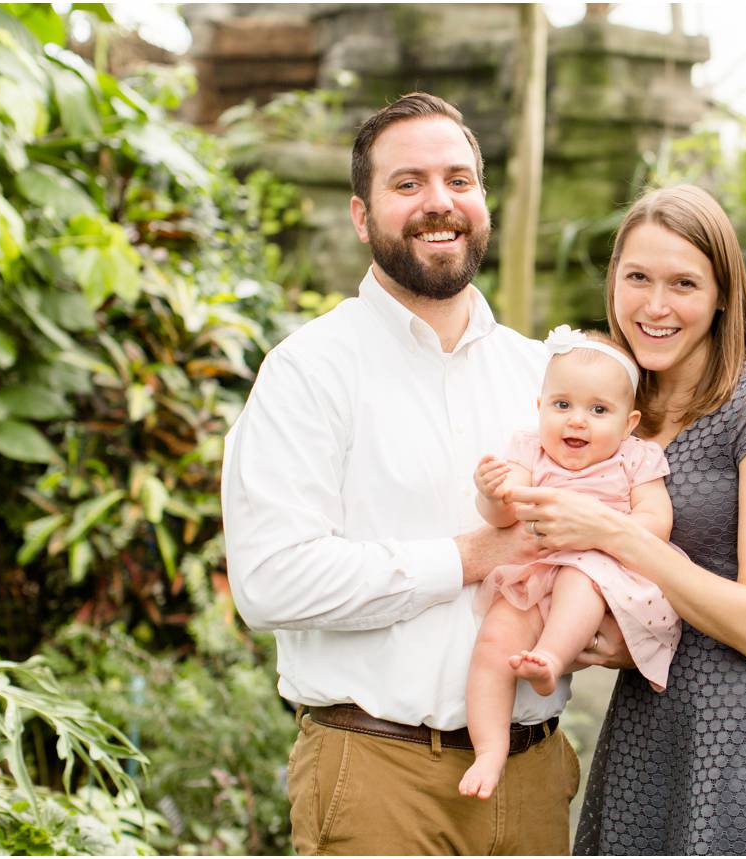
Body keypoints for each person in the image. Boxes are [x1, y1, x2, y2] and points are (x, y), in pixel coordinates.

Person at [223, 92, 579, 855]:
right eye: (408, 183)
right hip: (378, 775)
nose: (439, 203)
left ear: (483, 200)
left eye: (459, 179)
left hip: (538, 773)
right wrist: (469, 555)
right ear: (362, 216)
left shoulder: (542, 375)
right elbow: (269, 580)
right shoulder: (309, 371)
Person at [507, 185, 746, 854]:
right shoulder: (614, 395)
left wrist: (617, 535)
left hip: (743, 738)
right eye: (637, 277)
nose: (655, 305)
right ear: (613, 279)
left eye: (684, 283)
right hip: (648, 723)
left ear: (723, 293)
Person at [458, 326, 680, 801]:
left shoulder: (636, 459)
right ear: (540, 409)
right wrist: (489, 493)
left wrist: (603, 530)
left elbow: (657, 521)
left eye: (599, 410)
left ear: (629, 422)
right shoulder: (528, 449)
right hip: (532, 573)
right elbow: (504, 516)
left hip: (599, 568)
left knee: (581, 579)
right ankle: (489, 749)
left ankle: (552, 659)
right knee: (494, 641)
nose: (577, 421)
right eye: (562, 406)